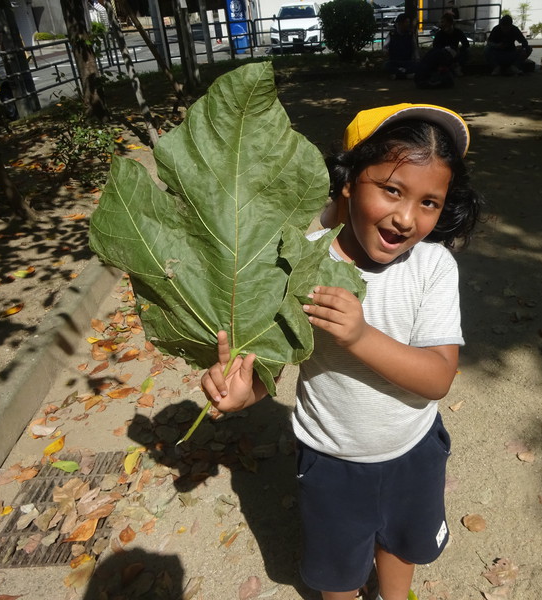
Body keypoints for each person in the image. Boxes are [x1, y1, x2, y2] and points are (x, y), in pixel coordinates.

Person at [201, 103, 482, 600]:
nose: (405, 217)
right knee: (338, 570)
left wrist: (360, 337)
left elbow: (438, 378)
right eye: (391, 189)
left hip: (412, 451)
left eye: (429, 202)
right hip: (331, 456)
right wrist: (246, 392)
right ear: (349, 180)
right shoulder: (302, 258)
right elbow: (275, 352)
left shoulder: (434, 266)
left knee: (401, 545)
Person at [384, 13, 419, 80]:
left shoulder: (410, 34)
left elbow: (415, 48)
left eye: (408, 22)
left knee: (417, 65)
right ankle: (406, 74)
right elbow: (385, 47)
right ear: (400, 23)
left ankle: (399, 74)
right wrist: (385, 52)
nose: (408, 24)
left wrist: (417, 58)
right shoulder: (392, 34)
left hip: (407, 61)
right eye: (406, 22)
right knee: (387, 65)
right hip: (395, 61)